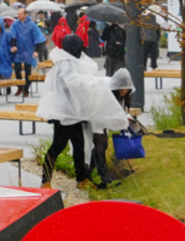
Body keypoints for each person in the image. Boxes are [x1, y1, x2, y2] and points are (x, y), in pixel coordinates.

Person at [38, 35, 128, 189]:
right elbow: (72, 82)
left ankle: (81, 179)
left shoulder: (69, 62)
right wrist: (95, 81)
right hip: (65, 114)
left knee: (78, 146)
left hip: (73, 113)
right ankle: (46, 180)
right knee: (58, 146)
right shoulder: (65, 64)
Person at [9, 7, 42, 95]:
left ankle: (26, 88)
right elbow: (13, 35)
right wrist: (13, 46)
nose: (18, 16)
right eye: (18, 14)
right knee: (17, 69)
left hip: (28, 50)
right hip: (19, 50)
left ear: (25, 15)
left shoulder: (32, 25)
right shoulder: (15, 24)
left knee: (28, 71)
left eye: (20, 14)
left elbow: (37, 37)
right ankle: (20, 87)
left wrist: (36, 50)